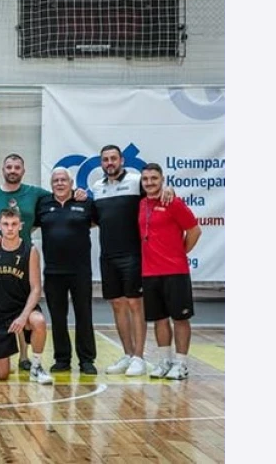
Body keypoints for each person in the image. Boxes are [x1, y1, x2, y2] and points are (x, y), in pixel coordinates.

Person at [0, 154, 89, 372]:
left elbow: (59, 196)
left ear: (23, 171)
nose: (13, 170)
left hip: (23, 255)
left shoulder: (36, 194)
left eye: (17, 167)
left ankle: (26, 357)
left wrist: (79, 192)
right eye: (9, 167)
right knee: (0, 302)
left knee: (24, 301)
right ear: (2, 170)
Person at [91, 145, 173, 377]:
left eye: (113, 158)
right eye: (105, 159)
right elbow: (95, 219)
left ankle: (139, 357)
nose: (109, 163)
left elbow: (156, 191)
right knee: (117, 304)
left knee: (136, 304)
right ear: (101, 163)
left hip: (133, 255)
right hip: (108, 256)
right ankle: (127, 354)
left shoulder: (136, 181)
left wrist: (169, 188)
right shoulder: (97, 188)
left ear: (122, 160)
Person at [139, 163, 201, 380]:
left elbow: (194, 230)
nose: (149, 183)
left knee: (180, 319)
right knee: (160, 319)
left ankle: (181, 364)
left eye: (154, 178)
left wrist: (180, 253)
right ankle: (165, 360)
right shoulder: (141, 204)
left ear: (162, 179)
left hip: (175, 271)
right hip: (150, 272)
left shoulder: (173, 202)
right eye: (145, 179)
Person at [35, 168, 99, 375]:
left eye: (63, 180)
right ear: (51, 184)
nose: (60, 183)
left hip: (80, 271)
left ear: (71, 183)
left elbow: (98, 221)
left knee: (84, 315)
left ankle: (87, 360)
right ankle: (62, 359)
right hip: (53, 272)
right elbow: (28, 225)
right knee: (57, 317)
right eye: (56, 180)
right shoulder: (43, 204)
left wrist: (84, 196)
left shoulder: (85, 202)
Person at [0, 209, 53, 385]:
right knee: (1, 375)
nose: (10, 228)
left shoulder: (30, 250)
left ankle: (36, 367)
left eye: (14, 224)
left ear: (21, 226)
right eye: (5, 224)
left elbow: (36, 289)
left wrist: (23, 317)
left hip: (22, 308)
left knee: (38, 321)